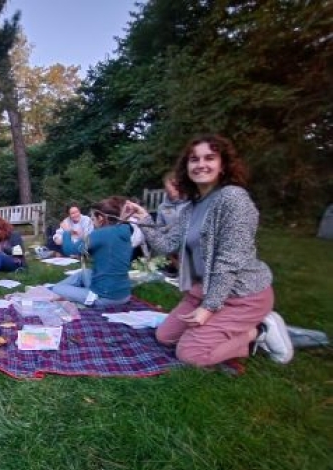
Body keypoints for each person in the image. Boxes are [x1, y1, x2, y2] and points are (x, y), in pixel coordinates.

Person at [123, 134, 294, 367]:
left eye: (210, 158)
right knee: (165, 337)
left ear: (223, 165)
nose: (201, 164)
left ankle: (259, 331)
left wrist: (208, 308)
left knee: (191, 354)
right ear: (187, 167)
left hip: (241, 295)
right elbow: (166, 245)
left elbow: (229, 261)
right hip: (204, 290)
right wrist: (143, 219)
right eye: (194, 159)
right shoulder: (191, 207)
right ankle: (221, 327)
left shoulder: (234, 200)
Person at [51, 197, 133, 307]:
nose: (91, 219)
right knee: (86, 272)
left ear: (101, 218)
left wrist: (67, 232)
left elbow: (70, 249)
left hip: (104, 297)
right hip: (124, 294)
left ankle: (65, 294)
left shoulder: (99, 234)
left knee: (57, 289)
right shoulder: (125, 229)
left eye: (93, 217)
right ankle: (75, 293)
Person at [155, 171, 188, 276]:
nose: (172, 189)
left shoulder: (190, 203)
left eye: (175, 185)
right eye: (169, 185)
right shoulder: (162, 207)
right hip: (170, 247)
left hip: (187, 247)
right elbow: (158, 228)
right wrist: (167, 228)